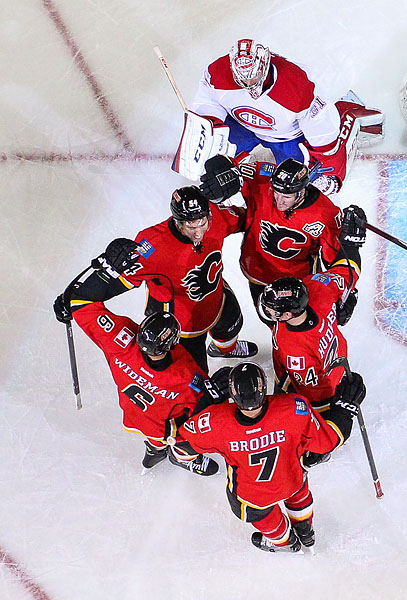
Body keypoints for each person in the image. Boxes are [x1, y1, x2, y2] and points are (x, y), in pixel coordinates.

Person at [180, 362, 365, 553]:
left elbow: (188, 434)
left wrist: (209, 397)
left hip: (252, 498)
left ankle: (287, 544)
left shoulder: (215, 421)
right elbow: (328, 441)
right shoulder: (293, 407)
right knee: (298, 495)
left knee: (270, 523)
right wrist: (344, 409)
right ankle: (306, 532)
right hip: (292, 480)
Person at [65, 188, 257, 372]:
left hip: (217, 298)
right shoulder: (152, 246)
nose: (199, 232)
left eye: (202, 223)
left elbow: (249, 219)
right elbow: (115, 281)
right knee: (197, 376)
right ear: (178, 221)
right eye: (191, 226)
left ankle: (224, 349)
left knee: (231, 327)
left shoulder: (216, 214)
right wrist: (76, 296)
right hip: (181, 326)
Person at [53, 284, 223, 476]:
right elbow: (204, 409)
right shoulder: (183, 375)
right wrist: (215, 393)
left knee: (152, 432)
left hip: (134, 413)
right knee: (187, 438)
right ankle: (181, 458)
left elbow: (83, 306)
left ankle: (154, 450)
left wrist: (69, 302)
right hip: (163, 426)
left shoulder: (118, 341)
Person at [188, 38, 384, 195]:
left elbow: (325, 138)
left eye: (253, 76)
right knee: (205, 163)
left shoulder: (296, 87)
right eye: (242, 78)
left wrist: (317, 166)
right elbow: (207, 105)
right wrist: (212, 139)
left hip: (289, 137)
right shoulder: (217, 73)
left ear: (264, 64)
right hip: (243, 125)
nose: (248, 83)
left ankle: (347, 111)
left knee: (318, 187)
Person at [198, 153, 368, 321]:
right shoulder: (263, 177)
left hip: (297, 286)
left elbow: (338, 261)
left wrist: (347, 290)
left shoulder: (325, 214)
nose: (278, 201)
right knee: (268, 320)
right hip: (257, 272)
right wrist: (220, 171)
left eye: (286, 196)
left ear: (301, 192)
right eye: (276, 193)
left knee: (294, 330)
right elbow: (227, 165)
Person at [257, 271, 356, 412]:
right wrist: (350, 297)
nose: (267, 310)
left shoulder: (293, 348)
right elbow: (346, 274)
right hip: (339, 363)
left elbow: (309, 392)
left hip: (324, 394)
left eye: (271, 310)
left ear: (287, 315)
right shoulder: (317, 287)